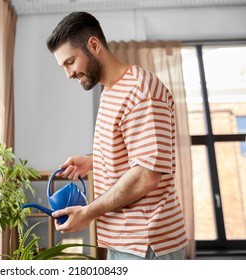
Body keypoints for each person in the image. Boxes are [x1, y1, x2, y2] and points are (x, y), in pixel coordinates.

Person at [46, 11, 187, 260]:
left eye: (70, 62)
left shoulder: (141, 91)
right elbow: (134, 153)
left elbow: (146, 175)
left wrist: (88, 212)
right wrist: (93, 161)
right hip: (122, 242)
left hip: (148, 246)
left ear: (93, 45)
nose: (68, 74)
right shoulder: (111, 90)